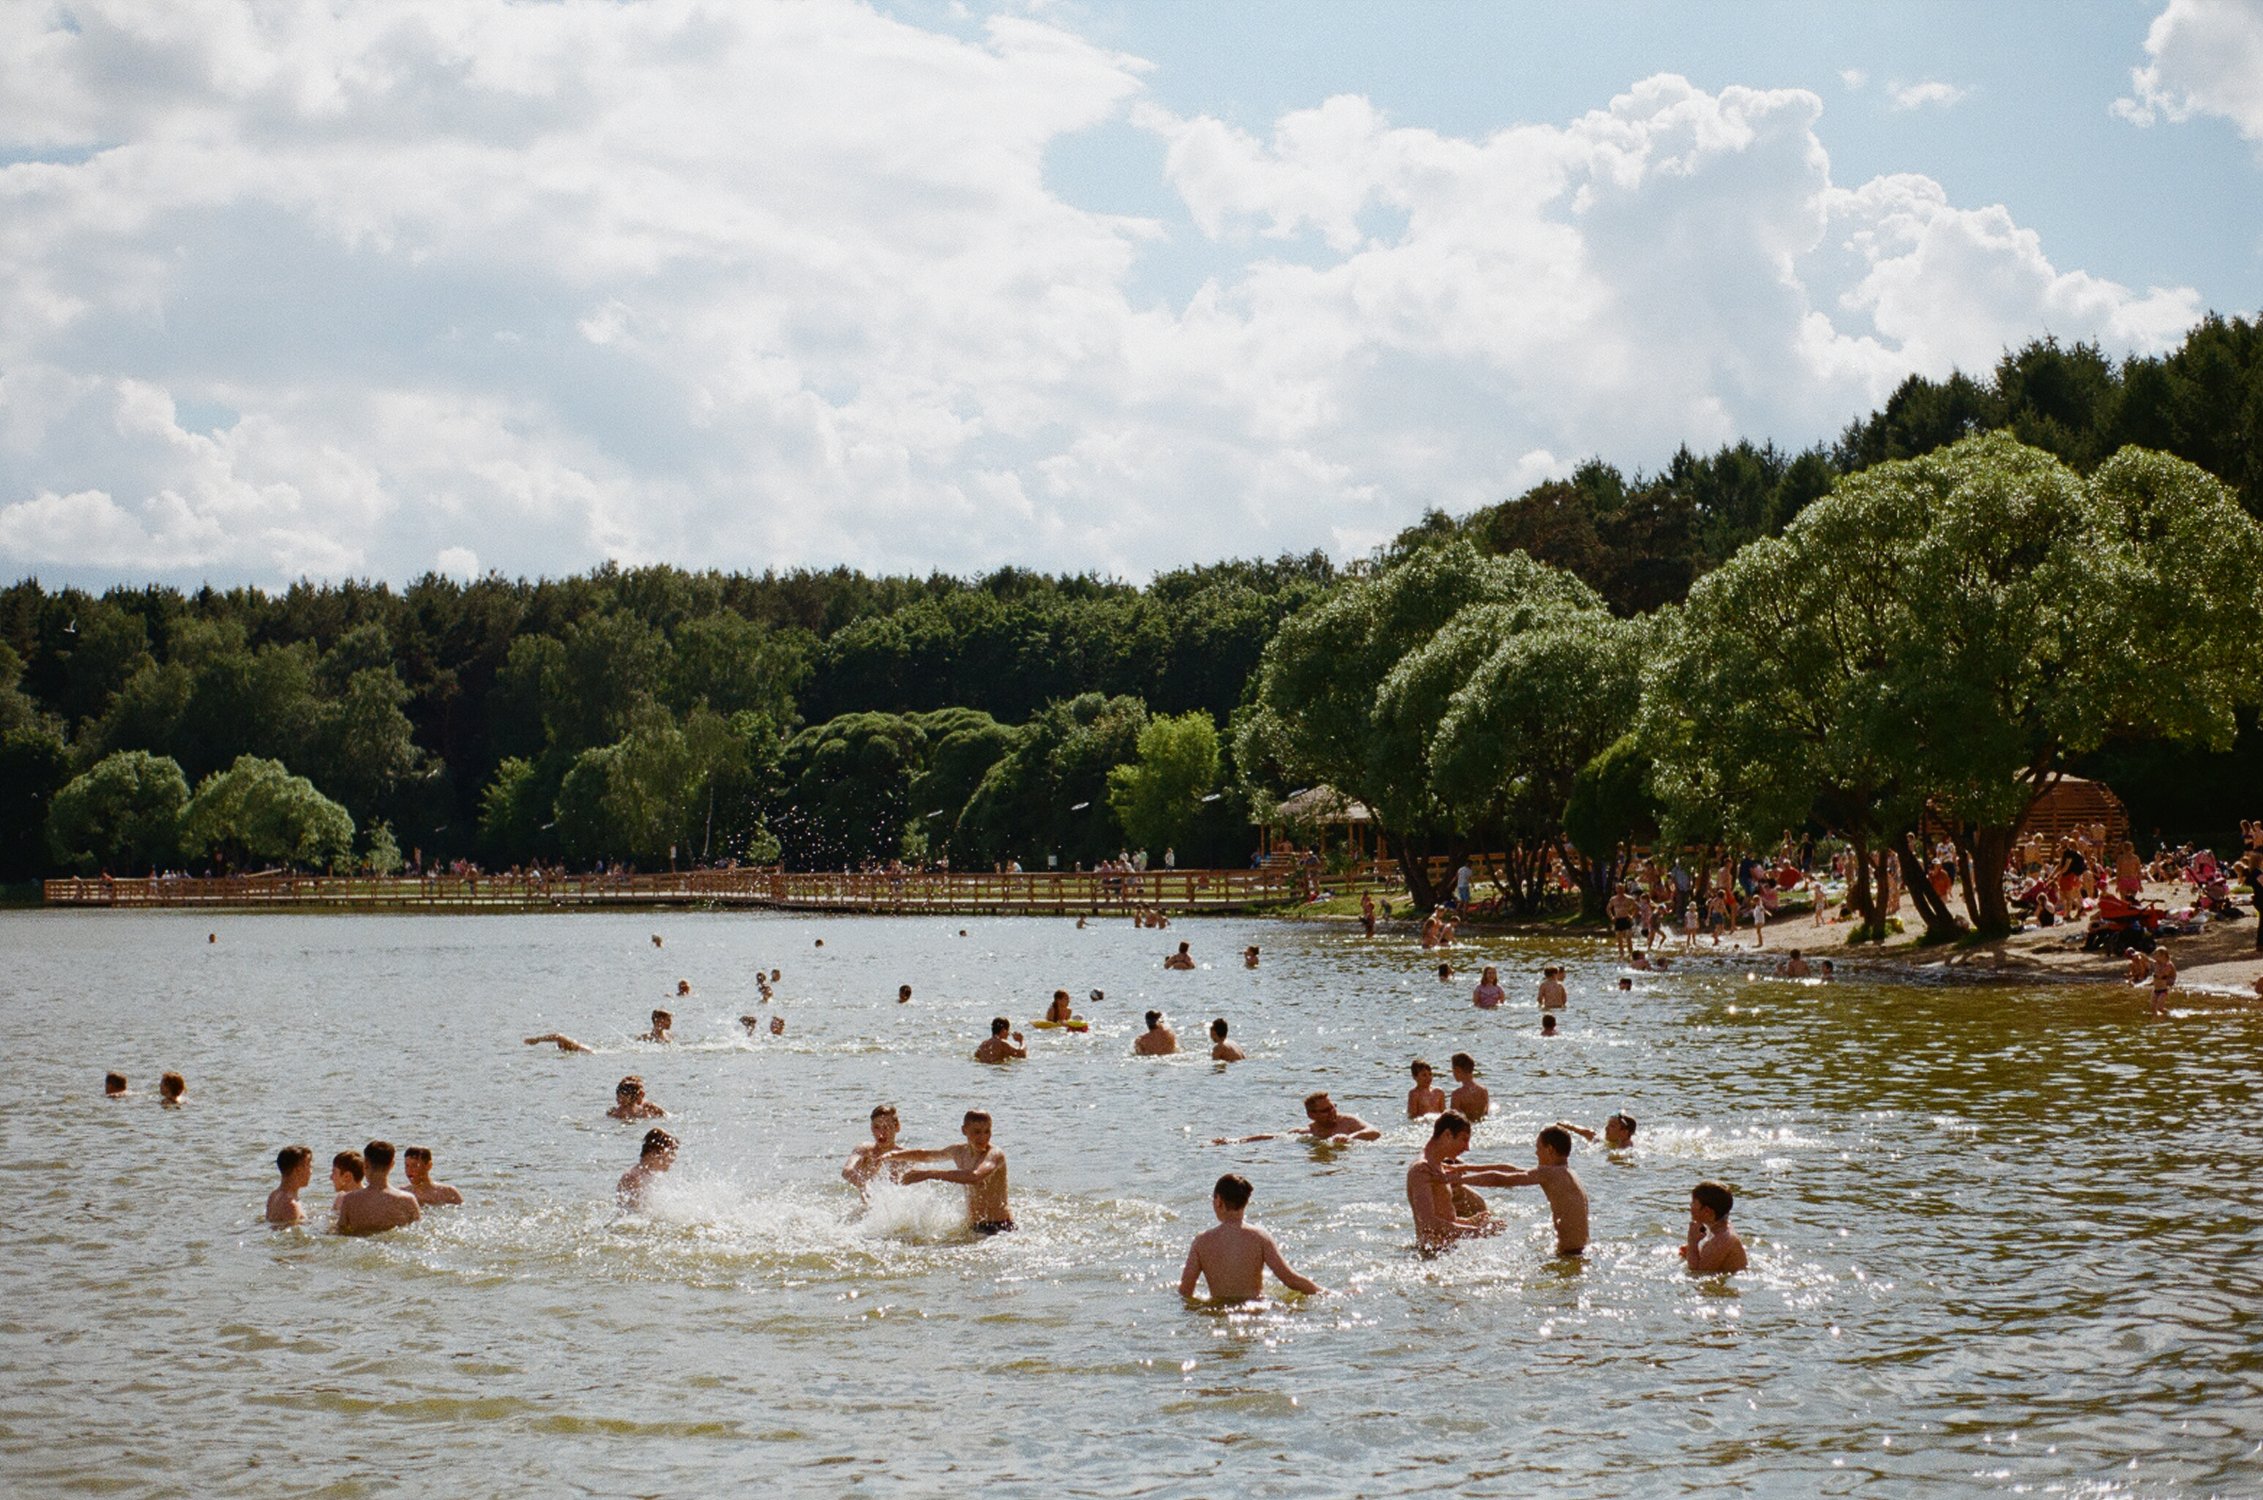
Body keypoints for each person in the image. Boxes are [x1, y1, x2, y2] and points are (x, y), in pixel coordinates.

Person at [1448, 1126, 1590, 1256]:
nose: (1536, 1153)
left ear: (1550, 1150)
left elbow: (1499, 1179)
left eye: (1538, 1148)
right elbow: (1510, 1169)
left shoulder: (1550, 1174)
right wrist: (1462, 1168)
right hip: (1580, 1251)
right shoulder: (1566, 1173)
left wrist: (1458, 1180)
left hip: (1570, 1254)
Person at [1179, 1174, 1325, 1300]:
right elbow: (1290, 1279)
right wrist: (1325, 1293)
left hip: (1220, 1311)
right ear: (1246, 1202)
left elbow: (1185, 1291)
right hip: (1254, 1311)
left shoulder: (1201, 1241)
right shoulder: (1260, 1237)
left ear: (1218, 1202)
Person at [891, 1109, 1013, 1233]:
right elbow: (928, 1155)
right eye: (977, 1132)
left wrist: (928, 1174)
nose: (983, 1137)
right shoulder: (959, 1151)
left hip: (1000, 1227)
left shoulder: (995, 1154)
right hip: (973, 1226)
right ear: (964, 1130)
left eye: (987, 1131)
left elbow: (975, 1176)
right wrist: (893, 1155)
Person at [1407, 1112, 1491, 1250]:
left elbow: (1444, 1217)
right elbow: (1427, 1223)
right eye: (1464, 1139)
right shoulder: (1421, 1169)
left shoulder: (1437, 1166)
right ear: (1447, 1135)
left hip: (1444, 1253)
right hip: (1430, 1256)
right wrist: (1477, 1232)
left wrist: (1471, 1222)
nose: (1467, 1147)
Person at [1213, 1091, 1382, 1145]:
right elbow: (1271, 1136)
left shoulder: (1348, 1121)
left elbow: (1375, 1132)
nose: (1332, 1113)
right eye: (1325, 1110)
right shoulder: (1308, 1131)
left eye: (1332, 1107)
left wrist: (1350, 1137)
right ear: (1312, 1115)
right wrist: (1234, 1140)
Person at [335, 1140, 421, 1235]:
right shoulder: (407, 1200)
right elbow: (418, 1232)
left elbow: (340, 1232)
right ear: (392, 1165)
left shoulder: (350, 1200)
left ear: (365, 1164)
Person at [1680, 1180, 1748, 1273]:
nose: (1690, 1205)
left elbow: (1696, 1273)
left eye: (1694, 1202)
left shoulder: (1723, 1239)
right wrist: (1692, 1252)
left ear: (1707, 1212)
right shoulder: (1721, 1229)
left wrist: (1692, 1243)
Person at [843, 1104, 903, 1196]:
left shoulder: (905, 1156)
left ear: (897, 1127)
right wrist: (864, 1186)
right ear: (871, 1128)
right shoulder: (865, 1150)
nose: (881, 1134)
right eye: (876, 1127)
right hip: (867, 1208)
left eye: (886, 1127)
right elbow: (847, 1171)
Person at [616, 1128, 678, 1210]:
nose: (673, 1159)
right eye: (670, 1153)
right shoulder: (633, 1177)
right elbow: (633, 1214)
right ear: (654, 1153)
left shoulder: (652, 1175)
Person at [266, 1145, 313, 1226]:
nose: (311, 1172)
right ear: (298, 1170)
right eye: (309, 1166)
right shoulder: (291, 1206)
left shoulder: (273, 1195)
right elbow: (296, 1238)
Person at [1558, 1112, 1637, 1150]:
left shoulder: (1626, 1148)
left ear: (1624, 1132)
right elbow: (1588, 1133)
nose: (1606, 1128)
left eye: (1612, 1126)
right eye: (1607, 1124)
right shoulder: (1607, 1140)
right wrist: (1569, 1127)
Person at [1448, 1053, 1489, 1122]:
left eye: (1452, 1069)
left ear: (1458, 1070)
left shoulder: (1457, 1094)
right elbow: (1485, 1114)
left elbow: (1454, 1120)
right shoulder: (1483, 1090)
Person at [2148, 946, 2177, 1017]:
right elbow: (2148, 960)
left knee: (2160, 1008)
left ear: (2163, 955)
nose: (2154, 956)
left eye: (2156, 955)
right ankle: (2156, 1020)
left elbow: (2161, 975)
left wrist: (2157, 970)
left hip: (2163, 990)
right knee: (2152, 1007)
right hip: (2156, 989)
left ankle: (2170, 1014)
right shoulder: (2158, 963)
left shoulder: (2168, 965)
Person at [525, 1032, 593, 1053]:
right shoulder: (570, 1047)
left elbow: (557, 1036)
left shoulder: (573, 1046)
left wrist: (537, 1040)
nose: (559, 1046)